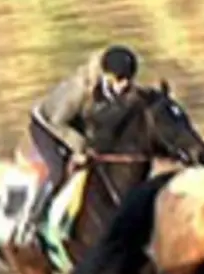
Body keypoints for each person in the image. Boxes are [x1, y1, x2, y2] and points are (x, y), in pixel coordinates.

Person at [20, 44, 139, 237]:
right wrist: (81, 149)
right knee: (57, 171)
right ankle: (34, 218)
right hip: (48, 127)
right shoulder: (79, 89)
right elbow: (58, 123)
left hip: (77, 127)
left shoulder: (122, 89)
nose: (124, 85)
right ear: (107, 75)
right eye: (120, 79)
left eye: (128, 79)